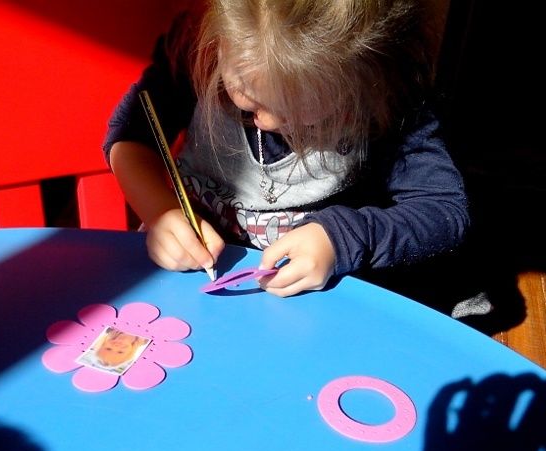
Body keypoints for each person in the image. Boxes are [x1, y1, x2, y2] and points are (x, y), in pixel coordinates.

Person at [104, 0, 480, 308]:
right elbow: (129, 139)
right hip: (188, 290)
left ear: (365, 84)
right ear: (218, 42)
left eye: (302, 116)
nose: (265, 122)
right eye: (247, 99)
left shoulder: (392, 101)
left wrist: (342, 238)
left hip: (313, 309)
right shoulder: (193, 52)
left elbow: (443, 210)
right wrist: (160, 212)